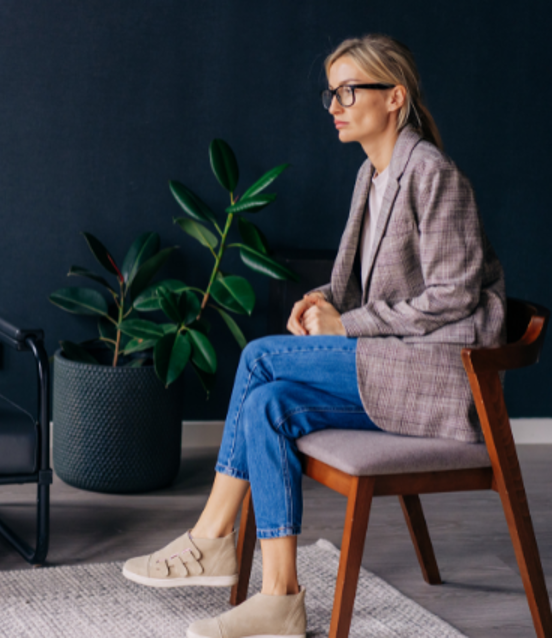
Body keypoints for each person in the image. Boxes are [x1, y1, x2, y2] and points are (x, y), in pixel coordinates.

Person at [122, 34, 505, 638]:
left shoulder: (432, 174)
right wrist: (322, 301)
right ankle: (281, 599)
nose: (335, 104)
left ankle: (210, 538)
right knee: (270, 405)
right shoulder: (370, 175)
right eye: (332, 92)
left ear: (395, 98)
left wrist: (345, 325)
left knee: (258, 359)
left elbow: (455, 295)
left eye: (350, 90)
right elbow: (363, 285)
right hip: (388, 361)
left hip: (437, 375)